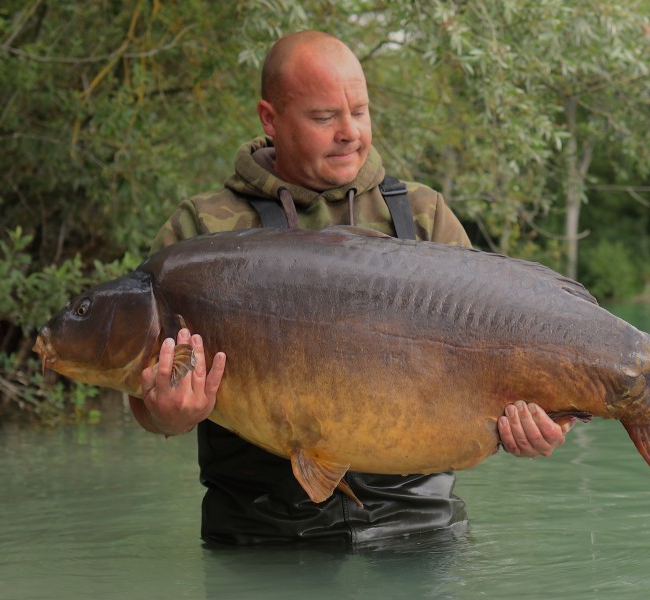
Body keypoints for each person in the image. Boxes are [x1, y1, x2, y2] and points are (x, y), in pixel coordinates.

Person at [128, 30, 575, 545]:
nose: (349, 133)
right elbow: (145, 395)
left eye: (359, 112)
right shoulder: (203, 230)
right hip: (264, 535)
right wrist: (164, 414)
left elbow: (505, 356)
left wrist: (547, 421)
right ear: (270, 118)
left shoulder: (421, 216)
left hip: (420, 528)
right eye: (324, 118)